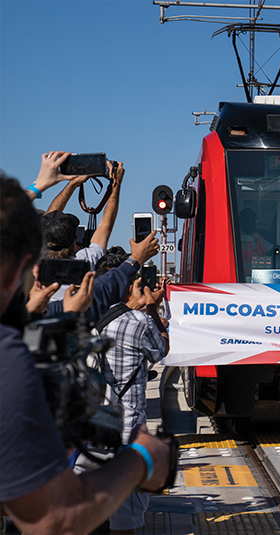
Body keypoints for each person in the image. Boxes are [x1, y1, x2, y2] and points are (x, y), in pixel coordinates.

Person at [0, 173, 172, 535]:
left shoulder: (22, 333)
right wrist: (145, 458)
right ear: (24, 267)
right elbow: (56, 520)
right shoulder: (10, 356)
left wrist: (41, 187)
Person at [77, 252, 169, 535]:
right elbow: (162, 348)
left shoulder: (82, 313)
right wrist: (153, 308)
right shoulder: (136, 323)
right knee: (126, 516)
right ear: (131, 283)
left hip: (89, 430)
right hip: (126, 432)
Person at [43, 157, 125, 270]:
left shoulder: (34, 262)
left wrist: (72, 184)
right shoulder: (85, 261)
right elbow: (105, 226)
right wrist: (116, 182)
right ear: (74, 242)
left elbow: (49, 219)